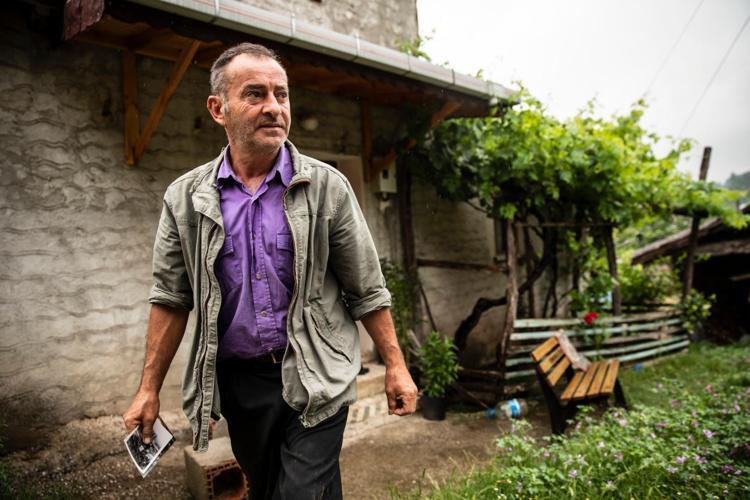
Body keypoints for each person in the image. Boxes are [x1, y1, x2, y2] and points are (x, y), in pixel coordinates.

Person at [122, 42, 417, 499]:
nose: (274, 107)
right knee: (272, 489)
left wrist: (395, 365)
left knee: (295, 493)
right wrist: (148, 389)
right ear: (218, 109)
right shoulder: (185, 199)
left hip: (318, 369)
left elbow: (366, 287)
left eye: (281, 94)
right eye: (255, 94)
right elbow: (171, 298)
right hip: (242, 383)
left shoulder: (327, 188)